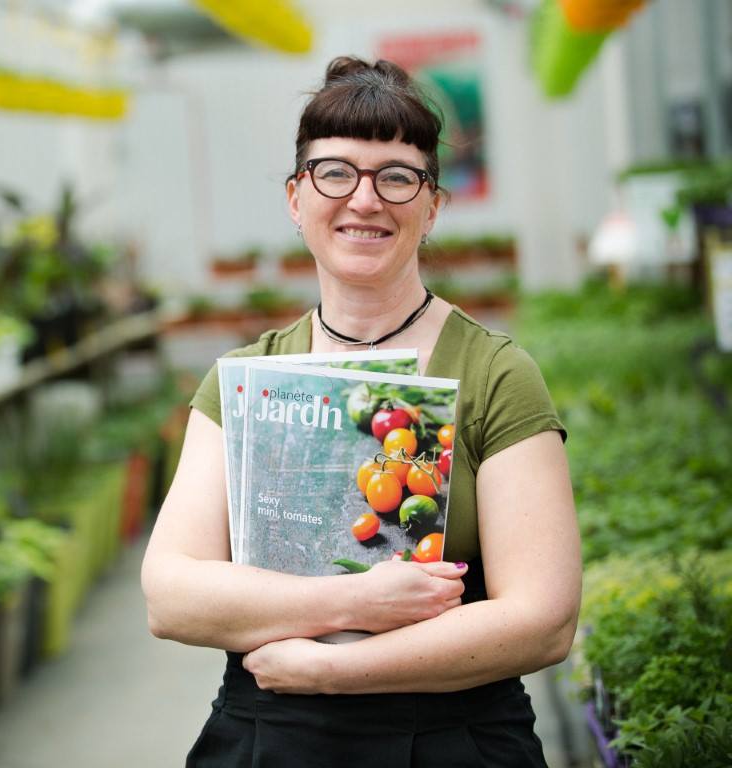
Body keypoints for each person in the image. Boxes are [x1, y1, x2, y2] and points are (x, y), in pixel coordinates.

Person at [141, 56, 581, 767]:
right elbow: (171, 595)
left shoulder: (496, 374)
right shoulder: (243, 382)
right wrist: (355, 604)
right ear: (296, 198)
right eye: (336, 172)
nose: (365, 200)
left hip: (453, 738)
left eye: (397, 177)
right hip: (268, 735)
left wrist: (333, 669)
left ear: (433, 205)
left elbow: (544, 621)